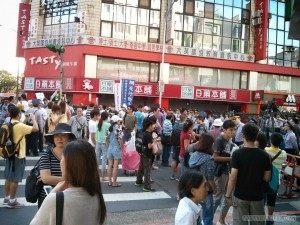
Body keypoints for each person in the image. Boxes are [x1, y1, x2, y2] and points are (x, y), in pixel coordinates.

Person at [30, 140, 107, 225]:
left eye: (63, 157)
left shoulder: (55, 200)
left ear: (69, 164)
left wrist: (52, 193)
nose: (60, 161)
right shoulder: (97, 196)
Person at [225, 123, 271, 225]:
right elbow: (267, 178)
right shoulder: (265, 155)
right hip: (258, 195)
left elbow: (233, 177)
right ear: (256, 136)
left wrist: (228, 195)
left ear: (243, 135)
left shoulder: (237, 154)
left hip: (240, 195)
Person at [3, 106, 39, 208]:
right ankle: (12, 201)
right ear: (18, 114)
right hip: (18, 155)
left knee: (8, 177)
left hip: (9, 154)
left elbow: (21, 125)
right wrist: (33, 119)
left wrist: (27, 118)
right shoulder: (20, 126)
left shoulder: (9, 123)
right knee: (15, 179)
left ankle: (7, 198)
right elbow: (36, 128)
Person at [37, 123, 76, 208]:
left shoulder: (75, 156)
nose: (59, 139)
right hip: (48, 198)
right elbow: (46, 179)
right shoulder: (47, 155)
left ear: (69, 138)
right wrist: (71, 181)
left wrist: (54, 179)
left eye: (63, 135)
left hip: (70, 198)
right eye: (56, 136)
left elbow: (81, 177)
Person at [212, 120, 237, 225]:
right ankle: (207, 218)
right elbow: (215, 157)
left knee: (228, 197)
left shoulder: (230, 141)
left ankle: (221, 220)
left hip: (229, 172)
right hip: (220, 172)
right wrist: (231, 159)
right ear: (224, 130)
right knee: (217, 198)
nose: (233, 132)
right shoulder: (219, 140)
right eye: (231, 130)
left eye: (234, 130)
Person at [189, 133, 216, 225]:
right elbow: (210, 178)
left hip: (193, 188)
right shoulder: (209, 159)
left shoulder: (194, 155)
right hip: (206, 189)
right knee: (208, 215)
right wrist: (215, 189)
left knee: (197, 213)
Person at [264, 133, 287, 225]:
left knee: (262, 199)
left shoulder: (265, 150)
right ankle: (269, 219)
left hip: (264, 178)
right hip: (275, 180)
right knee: (272, 200)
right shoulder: (283, 153)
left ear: (270, 140)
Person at [135, 117, 157, 192]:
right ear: (150, 126)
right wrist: (155, 141)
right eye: (153, 125)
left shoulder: (144, 133)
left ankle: (139, 181)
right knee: (147, 170)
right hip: (147, 154)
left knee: (141, 168)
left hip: (142, 153)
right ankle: (147, 186)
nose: (154, 126)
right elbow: (149, 146)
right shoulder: (149, 135)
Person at [107, 115, 123, 187]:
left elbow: (106, 138)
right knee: (115, 166)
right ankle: (114, 183)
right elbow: (120, 139)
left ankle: (110, 182)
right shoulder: (118, 128)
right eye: (119, 120)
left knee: (110, 165)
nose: (120, 122)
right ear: (117, 121)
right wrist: (121, 147)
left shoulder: (109, 128)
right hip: (116, 148)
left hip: (110, 147)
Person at [96, 111, 110, 181]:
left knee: (97, 159)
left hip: (98, 142)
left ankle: (96, 175)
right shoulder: (108, 125)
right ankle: (103, 176)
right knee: (104, 160)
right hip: (104, 143)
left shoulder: (97, 123)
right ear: (107, 117)